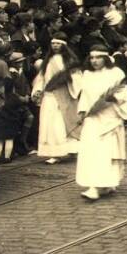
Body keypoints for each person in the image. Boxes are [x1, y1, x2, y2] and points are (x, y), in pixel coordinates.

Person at [76, 45, 127, 200]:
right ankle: (93, 186)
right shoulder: (87, 74)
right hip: (92, 118)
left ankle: (107, 183)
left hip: (110, 116)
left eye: (98, 57)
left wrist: (112, 98)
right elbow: (84, 96)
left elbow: (123, 93)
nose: (94, 61)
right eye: (92, 58)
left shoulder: (116, 73)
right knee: (91, 151)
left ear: (106, 58)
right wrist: (82, 112)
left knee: (108, 152)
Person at [31, 32, 82, 164]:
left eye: (58, 43)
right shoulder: (48, 60)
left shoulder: (69, 60)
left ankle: (71, 150)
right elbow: (42, 77)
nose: (55, 46)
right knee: (51, 123)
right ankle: (55, 152)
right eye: (53, 43)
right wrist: (38, 90)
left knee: (64, 122)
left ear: (64, 45)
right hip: (49, 94)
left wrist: (69, 79)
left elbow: (76, 76)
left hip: (64, 94)